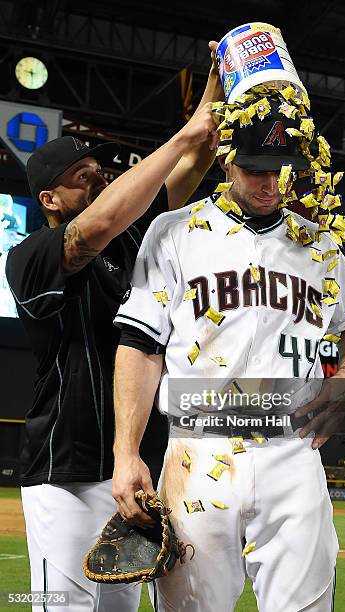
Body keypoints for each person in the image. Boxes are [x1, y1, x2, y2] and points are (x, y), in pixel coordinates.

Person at [112, 100, 345, 610]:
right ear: (227, 160)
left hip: (293, 450)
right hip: (197, 449)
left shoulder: (319, 246)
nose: (271, 183)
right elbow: (140, 344)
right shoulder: (175, 231)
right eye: (256, 168)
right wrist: (127, 452)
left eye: (283, 171)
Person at [5, 43, 222, 612]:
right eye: (82, 178)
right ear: (49, 199)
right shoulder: (32, 255)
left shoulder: (128, 245)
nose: (98, 184)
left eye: (101, 174)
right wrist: (182, 136)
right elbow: (99, 222)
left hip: (135, 468)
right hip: (67, 472)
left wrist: (214, 106)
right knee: (62, 607)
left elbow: (179, 179)